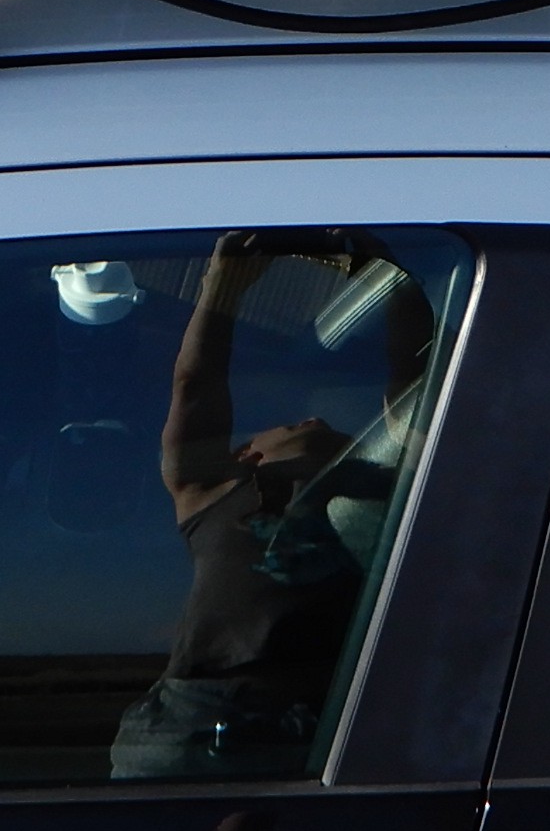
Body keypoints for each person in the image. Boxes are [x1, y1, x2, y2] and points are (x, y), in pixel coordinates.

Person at [110, 232, 434, 781]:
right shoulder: (208, 493)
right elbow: (196, 383)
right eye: (294, 421)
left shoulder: (398, 484)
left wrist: (389, 279)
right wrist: (223, 288)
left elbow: (415, 378)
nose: (315, 420)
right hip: (194, 719)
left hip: (331, 725)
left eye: (328, 426)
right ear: (246, 453)